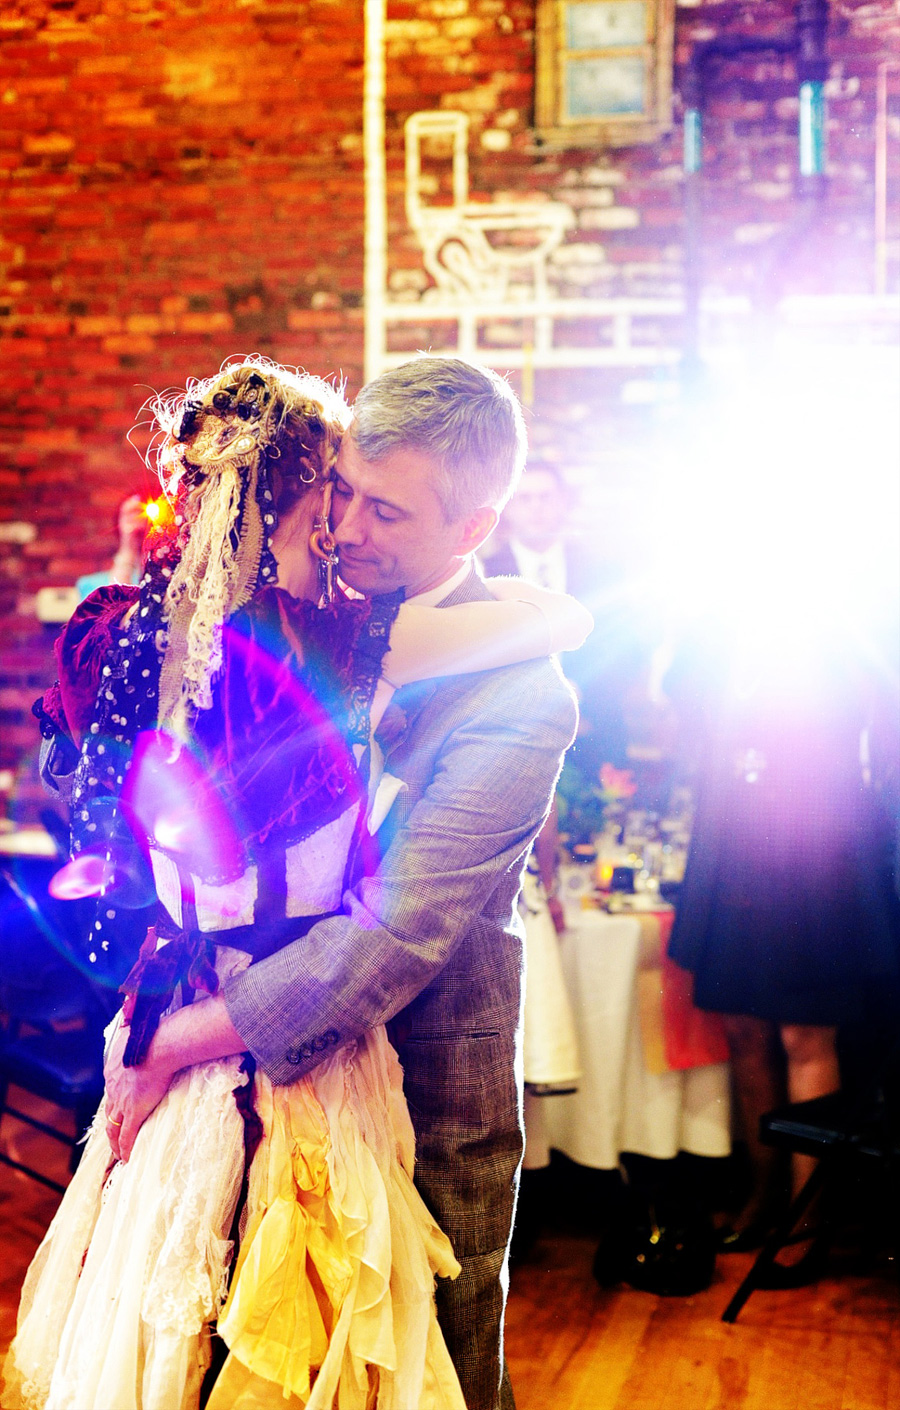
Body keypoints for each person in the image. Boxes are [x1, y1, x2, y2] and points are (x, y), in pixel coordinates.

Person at [5, 356, 584, 1410]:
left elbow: (390, 938)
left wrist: (168, 1044)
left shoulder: (521, 697)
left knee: (420, 1373)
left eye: (387, 513)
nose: (350, 531)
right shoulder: (264, 635)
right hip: (221, 1086)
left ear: (471, 528)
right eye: (344, 493)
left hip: (418, 1089)